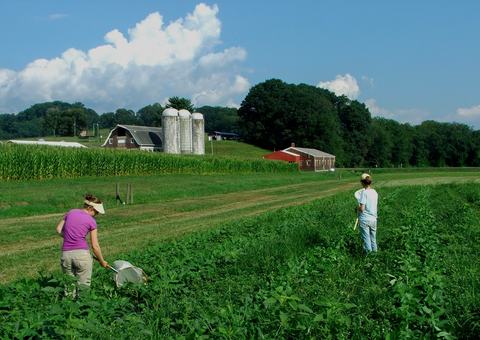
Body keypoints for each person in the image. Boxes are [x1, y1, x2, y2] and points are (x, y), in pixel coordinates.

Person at [56, 194, 109, 291]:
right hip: (82, 257)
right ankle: (83, 305)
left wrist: (69, 237)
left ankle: (68, 305)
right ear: (90, 208)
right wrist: (102, 261)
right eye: (96, 212)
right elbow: (95, 246)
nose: (96, 215)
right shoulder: (91, 221)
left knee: (69, 286)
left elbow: (59, 229)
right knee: (83, 287)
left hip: (66, 255)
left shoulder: (71, 212)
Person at [357, 173, 378, 254]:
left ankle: (369, 257)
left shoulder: (364, 193)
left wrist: (357, 208)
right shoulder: (375, 192)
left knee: (366, 239)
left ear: (362, 182)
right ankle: (375, 255)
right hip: (373, 219)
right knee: (373, 239)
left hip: (365, 219)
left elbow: (362, 208)